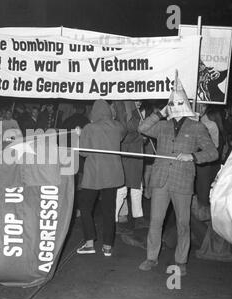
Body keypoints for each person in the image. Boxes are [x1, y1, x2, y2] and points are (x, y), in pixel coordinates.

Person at [138, 76, 218, 276]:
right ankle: (151, 257)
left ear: (187, 104)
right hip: (160, 180)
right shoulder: (163, 125)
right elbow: (142, 128)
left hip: (182, 181)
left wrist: (192, 156)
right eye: (172, 103)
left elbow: (213, 152)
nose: (175, 106)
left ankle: (181, 261)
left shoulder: (197, 127)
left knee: (183, 223)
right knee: (156, 221)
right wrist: (160, 112)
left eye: (177, 102)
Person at [76, 100, 126, 257]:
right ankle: (107, 246)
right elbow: (122, 136)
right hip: (112, 174)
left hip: (94, 174)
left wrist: (80, 134)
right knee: (109, 211)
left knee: (84, 206)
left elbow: (83, 152)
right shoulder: (118, 126)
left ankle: (90, 243)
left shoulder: (89, 128)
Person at [113, 101, 148, 230]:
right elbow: (124, 134)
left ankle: (138, 217)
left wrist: (143, 137)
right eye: (137, 100)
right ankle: (114, 220)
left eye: (140, 100)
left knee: (137, 188)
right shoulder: (123, 111)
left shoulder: (137, 113)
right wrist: (140, 135)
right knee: (121, 189)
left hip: (136, 155)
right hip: (125, 155)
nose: (139, 102)